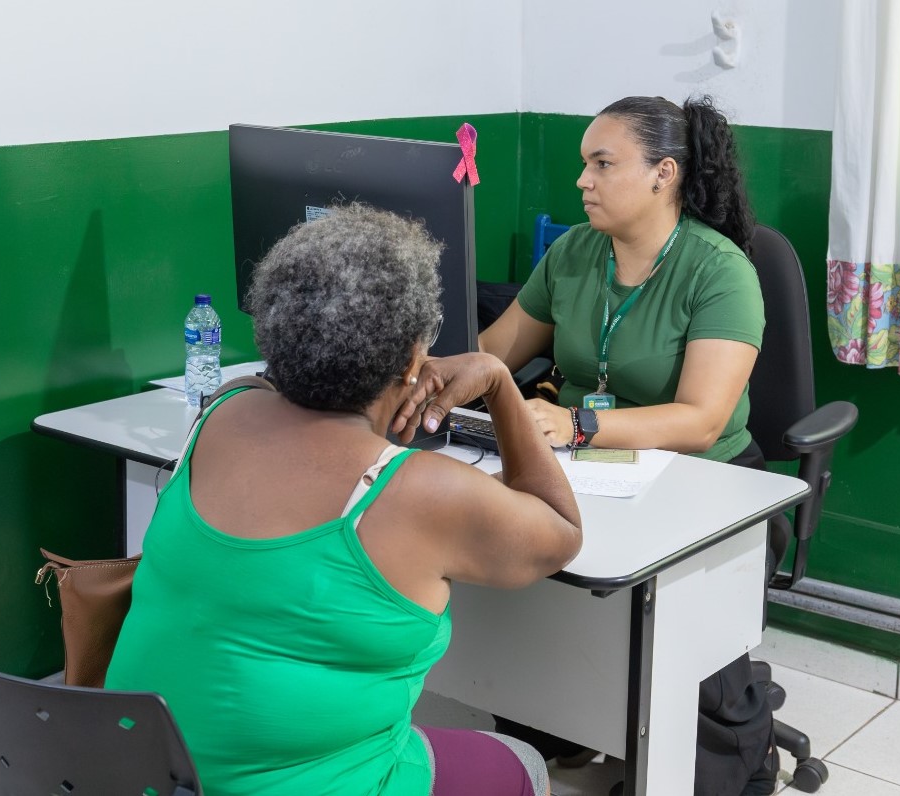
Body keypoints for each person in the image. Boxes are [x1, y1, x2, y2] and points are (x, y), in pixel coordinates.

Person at [105, 204, 583, 796]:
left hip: (140, 776)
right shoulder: (421, 490)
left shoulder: (224, 408)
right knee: (521, 761)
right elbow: (560, 531)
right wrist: (497, 379)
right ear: (414, 360)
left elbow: (289, 406)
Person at [404, 95, 779, 795]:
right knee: (529, 582)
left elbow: (700, 419)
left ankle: (734, 755)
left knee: (679, 645)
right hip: (583, 466)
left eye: (602, 164)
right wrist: (425, 380)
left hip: (702, 484)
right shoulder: (577, 251)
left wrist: (575, 425)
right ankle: (560, 728)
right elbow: (491, 354)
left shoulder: (718, 269)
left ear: (663, 173)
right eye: (584, 164)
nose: (583, 181)